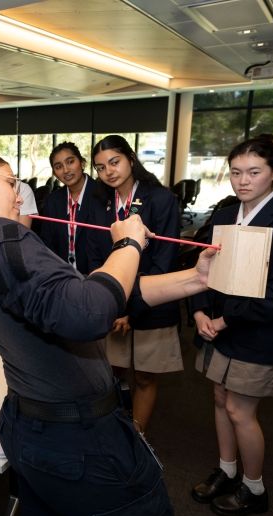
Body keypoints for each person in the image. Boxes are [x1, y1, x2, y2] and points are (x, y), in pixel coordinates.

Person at [0, 150, 216, 516]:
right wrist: (128, 244)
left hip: (39, 427)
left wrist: (195, 278)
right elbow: (90, 311)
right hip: (74, 440)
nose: (19, 195)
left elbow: (98, 293)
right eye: (11, 182)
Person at [190, 137, 273, 516]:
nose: (243, 181)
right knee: (220, 401)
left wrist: (225, 319)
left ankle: (255, 488)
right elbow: (201, 270)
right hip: (216, 327)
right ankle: (227, 470)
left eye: (254, 172)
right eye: (237, 172)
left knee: (241, 411)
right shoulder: (225, 215)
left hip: (256, 331)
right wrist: (198, 313)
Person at [88, 135, 182, 434]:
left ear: (130, 158)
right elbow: (95, 255)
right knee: (110, 373)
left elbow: (163, 261)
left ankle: (137, 438)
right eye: (101, 167)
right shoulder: (100, 202)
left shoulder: (161, 198)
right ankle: (114, 430)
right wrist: (111, 303)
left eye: (114, 162)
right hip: (114, 304)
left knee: (144, 377)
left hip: (151, 303)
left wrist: (132, 308)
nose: (109, 171)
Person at [39, 142, 96, 273]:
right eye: (58, 166)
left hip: (96, 277)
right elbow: (47, 244)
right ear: (54, 173)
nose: (66, 170)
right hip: (62, 277)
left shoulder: (102, 196)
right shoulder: (53, 201)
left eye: (70, 162)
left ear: (82, 162)